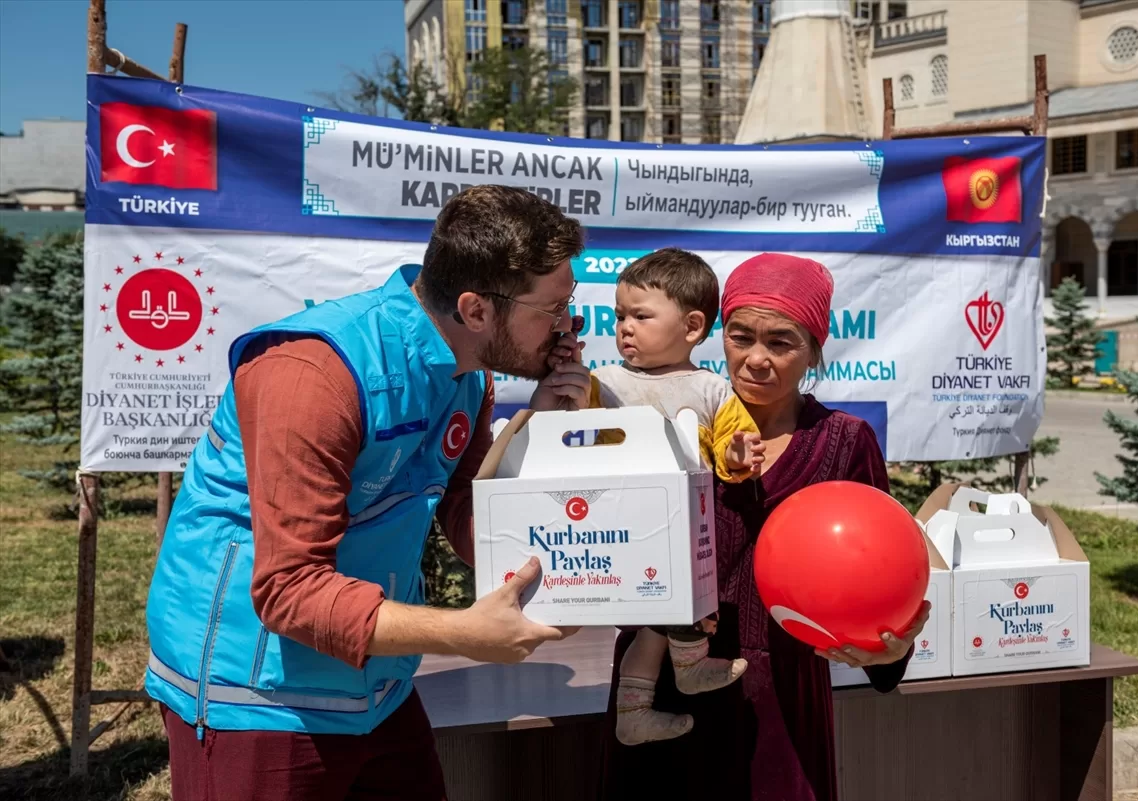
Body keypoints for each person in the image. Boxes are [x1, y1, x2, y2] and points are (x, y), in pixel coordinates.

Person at [143, 185, 594, 801]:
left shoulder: (468, 377)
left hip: (377, 687)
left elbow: (471, 519)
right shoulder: (313, 373)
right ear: (476, 310)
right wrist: (464, 632)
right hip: (256, 697)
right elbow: (288, 590)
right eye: (554, 308)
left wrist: (546, 437)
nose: (568, 326)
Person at [600, 252, 931, 801]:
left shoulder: (845, 442)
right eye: (741, 337)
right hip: (660, 695)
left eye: (781, 342)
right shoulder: (662, 424)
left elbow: (881, 571)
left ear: (815, 350)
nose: (756, 359)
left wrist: (889, 653)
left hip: (784, 708)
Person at [584, 248, 765, 746]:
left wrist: (738, 454)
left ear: (692, 327)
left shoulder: (712, 390)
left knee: (663, 620)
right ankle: (683, 672)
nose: (625, 327)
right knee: (657, 617)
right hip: (619, 526)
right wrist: (570, 387)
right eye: (620, 316)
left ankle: (638, 709)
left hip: (686, 529)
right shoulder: (603, 383)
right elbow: (572, 431)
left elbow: (734, 448)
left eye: (641, 316)